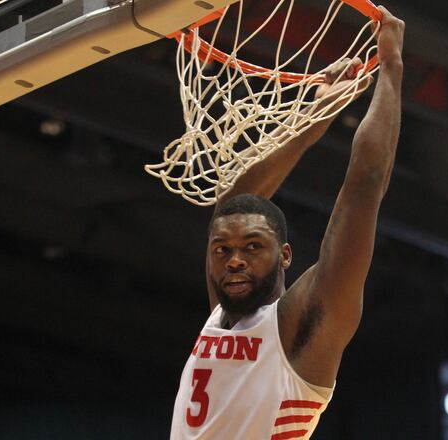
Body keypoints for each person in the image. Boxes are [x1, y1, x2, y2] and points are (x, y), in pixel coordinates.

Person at [170, 6, 405, 439]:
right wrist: (316, 116)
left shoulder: (306, 328)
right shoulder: (223, 314)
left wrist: (391, 66)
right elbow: (234, 206)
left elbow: (366, 184)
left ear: (284, 256)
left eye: (253, 246)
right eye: (223, 249)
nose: (234, 260)